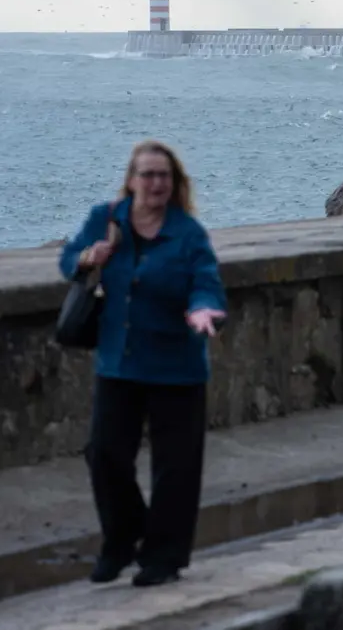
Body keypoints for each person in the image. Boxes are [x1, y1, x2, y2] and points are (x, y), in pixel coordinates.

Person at [59, 140, 227, 588]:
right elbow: (67, 260)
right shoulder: (106, 219)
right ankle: (121, 538)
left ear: (174, 184)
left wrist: (204, 309)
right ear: (131, 180)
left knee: (176, 467)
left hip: (177, 366)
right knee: (105, 454)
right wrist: (87, 257)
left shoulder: (188, 233)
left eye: (163, 176)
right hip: (120, 362)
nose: (155, 183)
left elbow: (206, 283)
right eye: (147, 174)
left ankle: (164, 557)